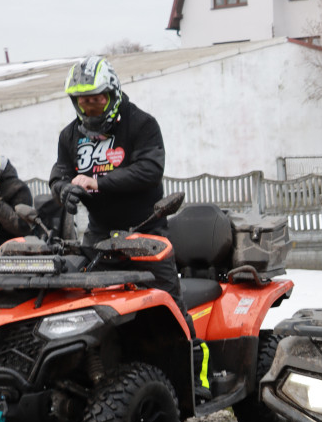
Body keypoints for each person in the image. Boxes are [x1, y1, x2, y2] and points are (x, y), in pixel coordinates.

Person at [48, 55, 209, 394]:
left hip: (146, 232)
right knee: (84, 307)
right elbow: (59, 175)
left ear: (113, 93)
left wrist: (97, 183)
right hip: (98, 237)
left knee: (170, 304)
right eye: (83, 102)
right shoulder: (69, 136)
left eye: (97, 99)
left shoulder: (141, 124)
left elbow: (150, 169)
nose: (90, 107)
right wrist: (65, 191)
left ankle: (196, 378)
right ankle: (94, 379)